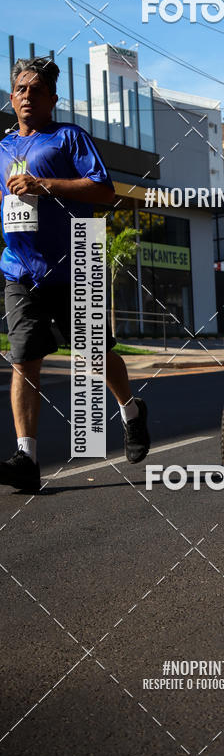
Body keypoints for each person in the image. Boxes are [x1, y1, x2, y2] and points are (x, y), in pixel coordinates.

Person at [0, 57, 150, 493]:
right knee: (24, 358)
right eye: (20, 89)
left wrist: (44, 185)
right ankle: (27, 457)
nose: (27, 96)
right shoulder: (3, 147)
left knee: (93, 357)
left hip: (72, 265)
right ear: (12, 98)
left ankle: (131, 411)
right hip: (19, 269)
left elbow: (103, 190)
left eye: (36, 90)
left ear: (52, 99)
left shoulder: (69, 138)